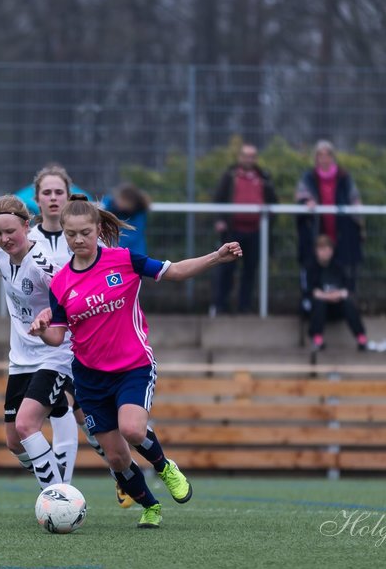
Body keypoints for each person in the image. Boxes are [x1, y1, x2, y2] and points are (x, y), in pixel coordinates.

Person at [30, 195, 242, 528]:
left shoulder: (124, 260)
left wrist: (216, 257)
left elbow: (175, 271)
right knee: (115, 456)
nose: (78, 240)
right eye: (71, 234)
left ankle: (164, 466)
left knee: (132, 429)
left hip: (133, 367)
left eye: (85, 232)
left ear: (99, 229)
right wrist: (42, 330)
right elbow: (57, 336)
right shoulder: (61, 283)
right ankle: (150, 506)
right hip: (89, 378)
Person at [0, 194, 78, 490]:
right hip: (20, 358)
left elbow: (72, 298)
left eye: (10, 232)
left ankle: (57, 493)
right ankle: (53, 477)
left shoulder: (42, 263)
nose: (4, 239)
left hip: (54, 354)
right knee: (14, 442)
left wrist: (50, 313)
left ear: (27, 226)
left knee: (27, 424)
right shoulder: (1, 253)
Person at [212, 142, 277, 314]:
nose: (249, 159)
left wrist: (269, 217)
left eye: (252, 156)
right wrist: (219, 219)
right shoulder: (230, 175)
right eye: (246, 156)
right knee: (226, 268)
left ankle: (244, 307)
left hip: (256, 231)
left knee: (250, 270)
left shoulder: (263, 177)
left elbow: (273, 201)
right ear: (240, 157)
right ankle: (220, 305)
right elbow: (218, 198)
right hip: (233, 231)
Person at [296, 140, 364, 289]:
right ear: (316, 158)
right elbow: (301, 199)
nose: (324, 158)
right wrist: (307, 202)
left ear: (332, 157)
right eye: (320, 155)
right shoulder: (308, 177)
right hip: (318, 232)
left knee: (345, 269)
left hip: (342, 232)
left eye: (327, 155)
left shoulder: (344, 177)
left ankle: (347, 302)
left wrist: (356, 209)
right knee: (316, 269)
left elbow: (354, 199)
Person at [303, 235, 367, 352]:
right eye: (322, 249)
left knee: (348, 303)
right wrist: (329, 296)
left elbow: (345, 290)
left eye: (328, 249)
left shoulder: (338, 267)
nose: (325, 252)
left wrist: (332, 295)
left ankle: (361, 338)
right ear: (316, 251)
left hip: (336, 306)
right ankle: (317, 339)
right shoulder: (310, 268)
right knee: (319, 303)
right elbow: (313, 292)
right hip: (317, 308)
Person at [101, 182, 152, 255]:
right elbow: (105, 204)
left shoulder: (138, 214)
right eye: (117, 198)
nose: (118, 202)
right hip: (116, 250)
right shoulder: (111, 206)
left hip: (132, 252)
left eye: (121, 200)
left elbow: (132, 237)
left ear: (130, 201)